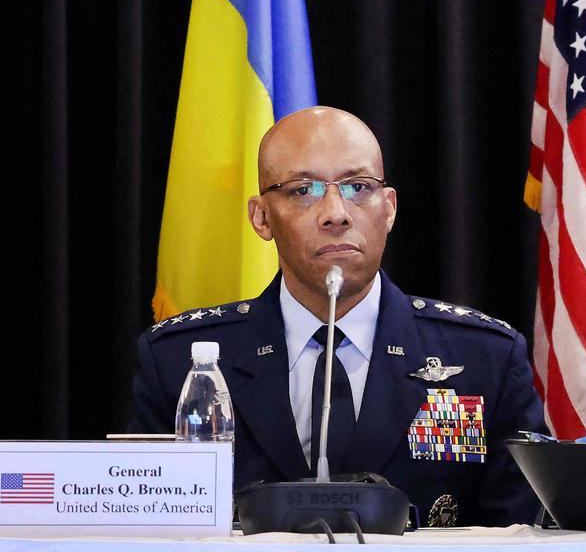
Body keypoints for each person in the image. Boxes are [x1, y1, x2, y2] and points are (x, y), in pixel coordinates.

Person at [130, 106, 546, 527]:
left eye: (358, 187)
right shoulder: (179, 361)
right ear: (261, 217)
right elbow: (144, 526)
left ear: (389, 208)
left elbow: (524, 533)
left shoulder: (483, 359)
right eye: (302, 190)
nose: (336, 212)